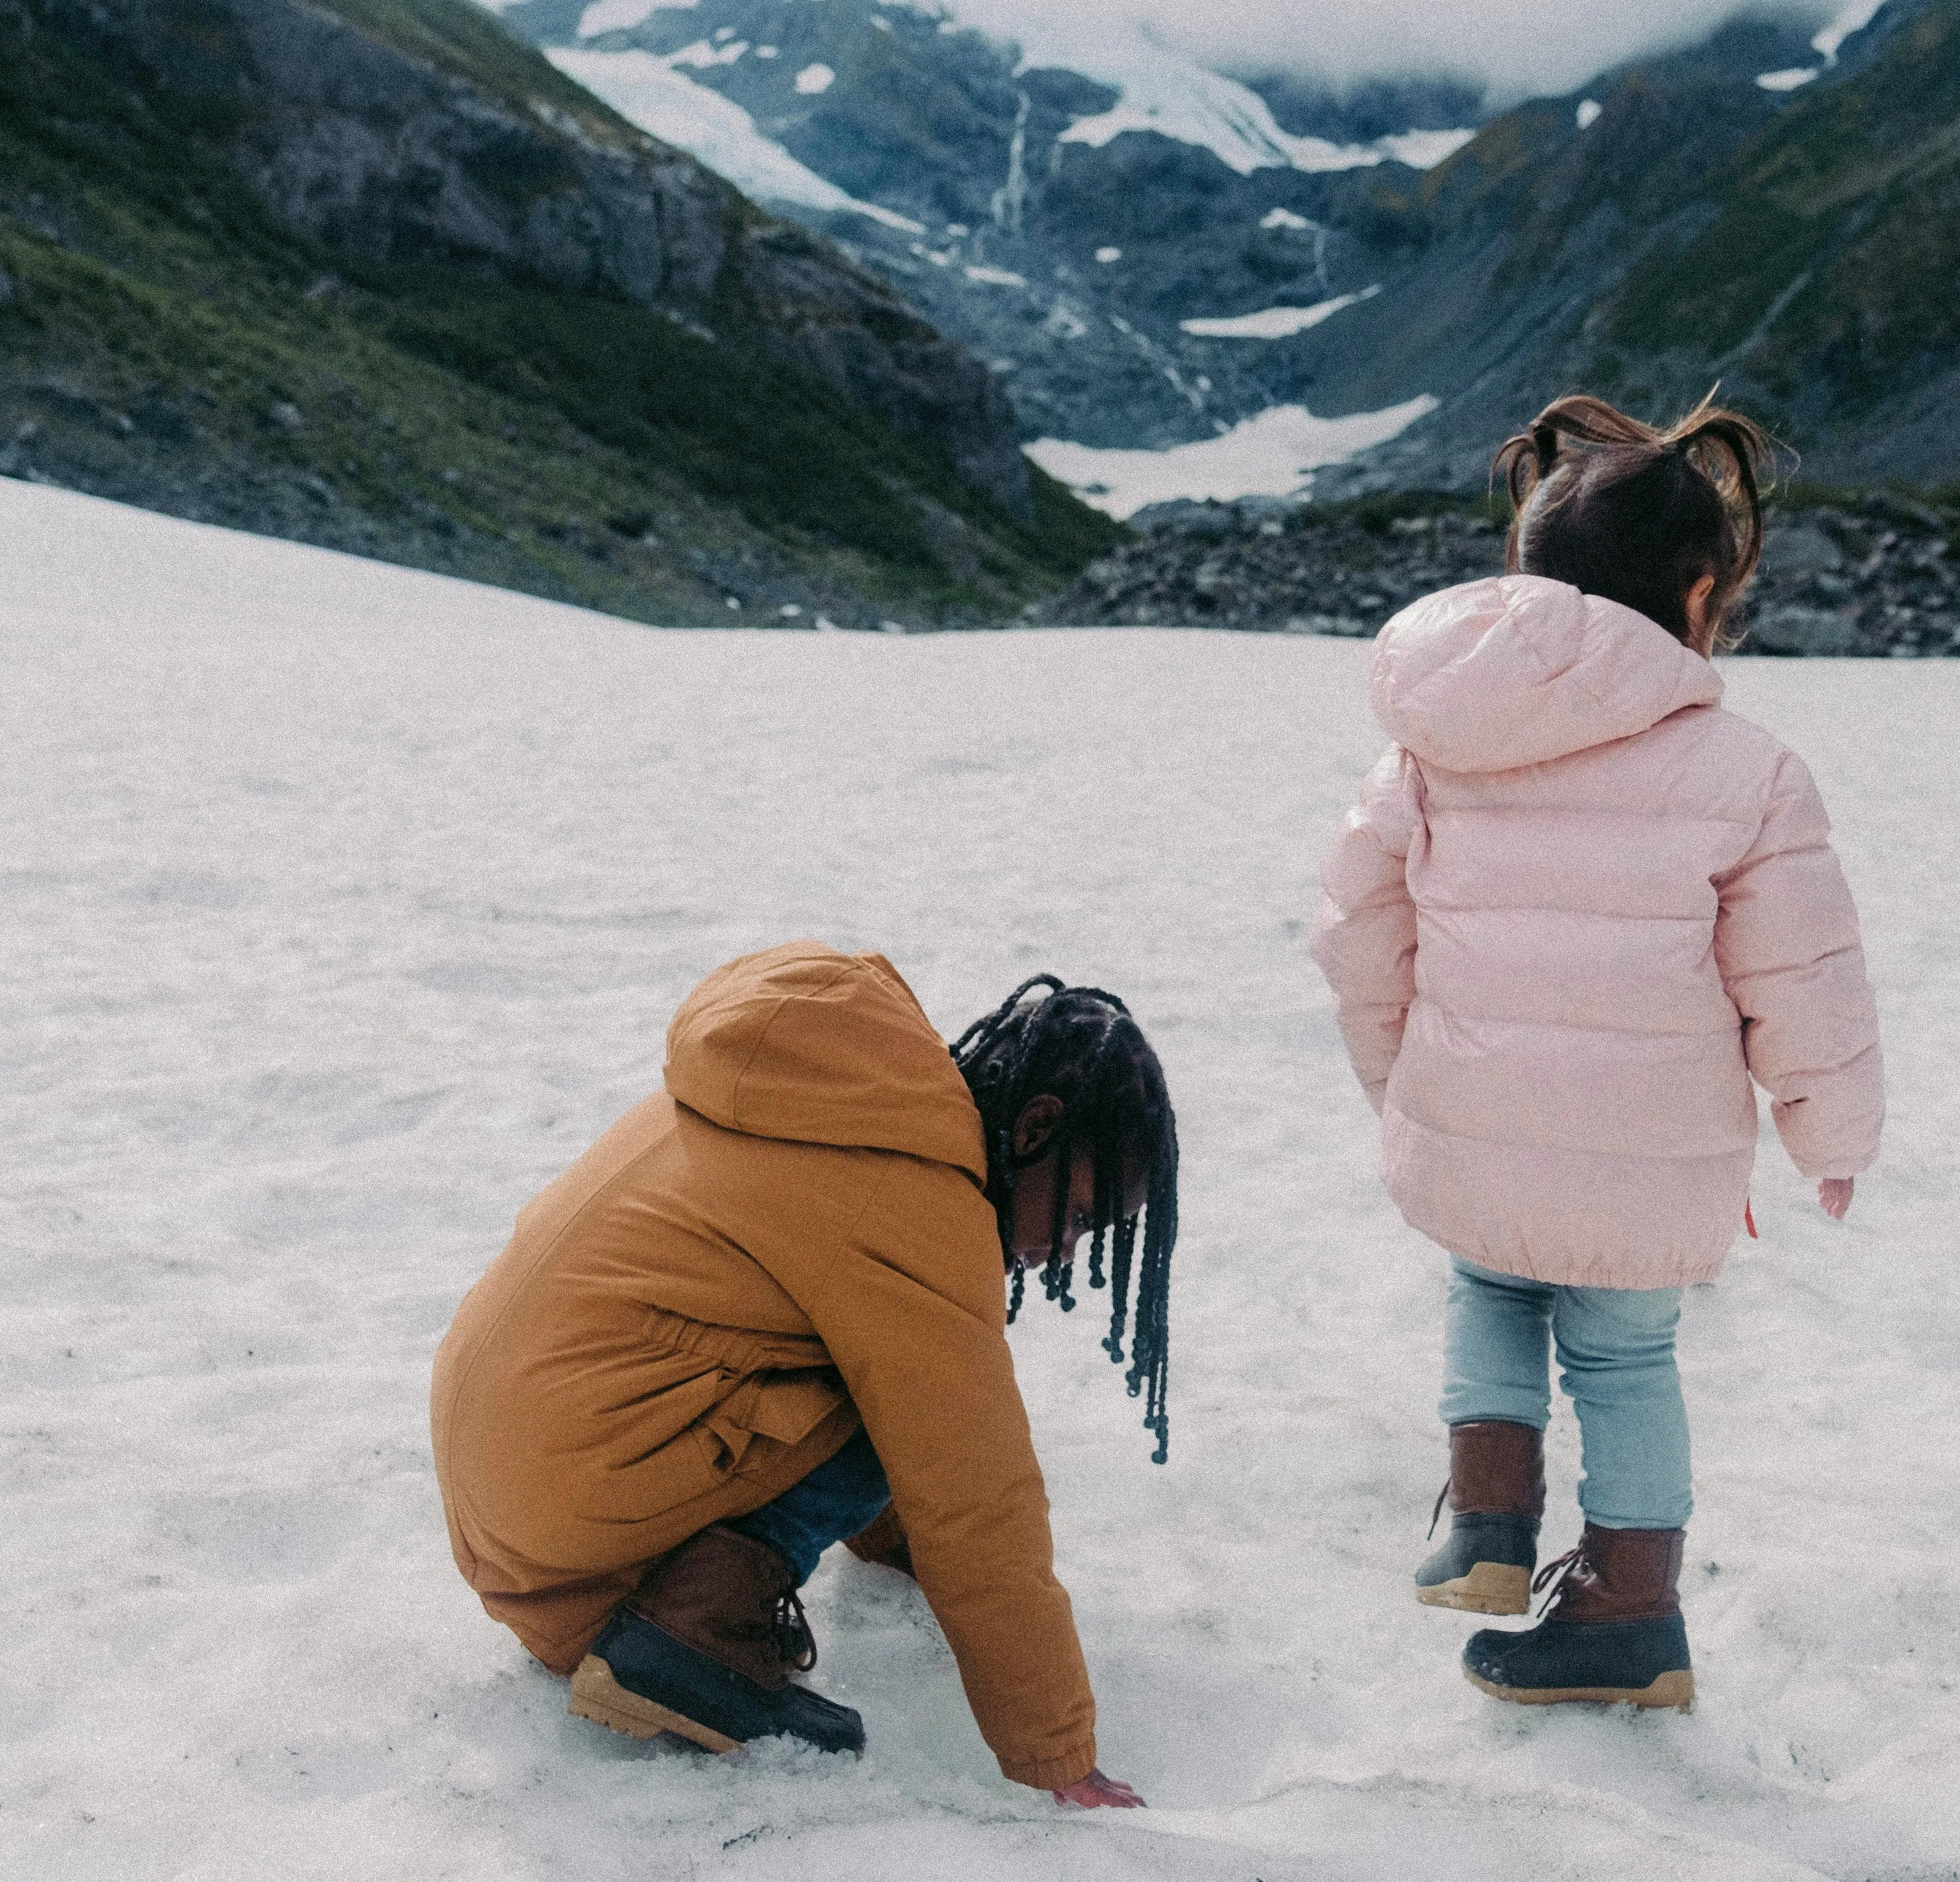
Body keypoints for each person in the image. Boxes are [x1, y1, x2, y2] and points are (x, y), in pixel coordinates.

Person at [1308, 393, 1886, 1710]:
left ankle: (1489, 1521)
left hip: (1474, 1109)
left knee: (1490, 1285)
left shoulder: (1431, 747)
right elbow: (1805, 977)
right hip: (1652, 1149)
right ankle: (1631, 1607)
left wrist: (1398, 1078)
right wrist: (1830, 1132)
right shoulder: (1750, 772)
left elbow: (1358, 932)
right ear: (1699, 593)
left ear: (1526, 577)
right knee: (1625, 1358)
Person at [428, 944, 1175, 1806]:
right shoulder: (911, 1199)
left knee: (890, 1367)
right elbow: (975, 1495)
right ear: (1036, 1128)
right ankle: (691, 1633)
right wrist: (1058, 1758)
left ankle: (702, 1599)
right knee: (918, 1401)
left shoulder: (829, 1097)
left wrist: (906, 1553)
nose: (1063, 1252)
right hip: (573, 1504)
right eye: (1078, 1215)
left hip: (510, 1487)